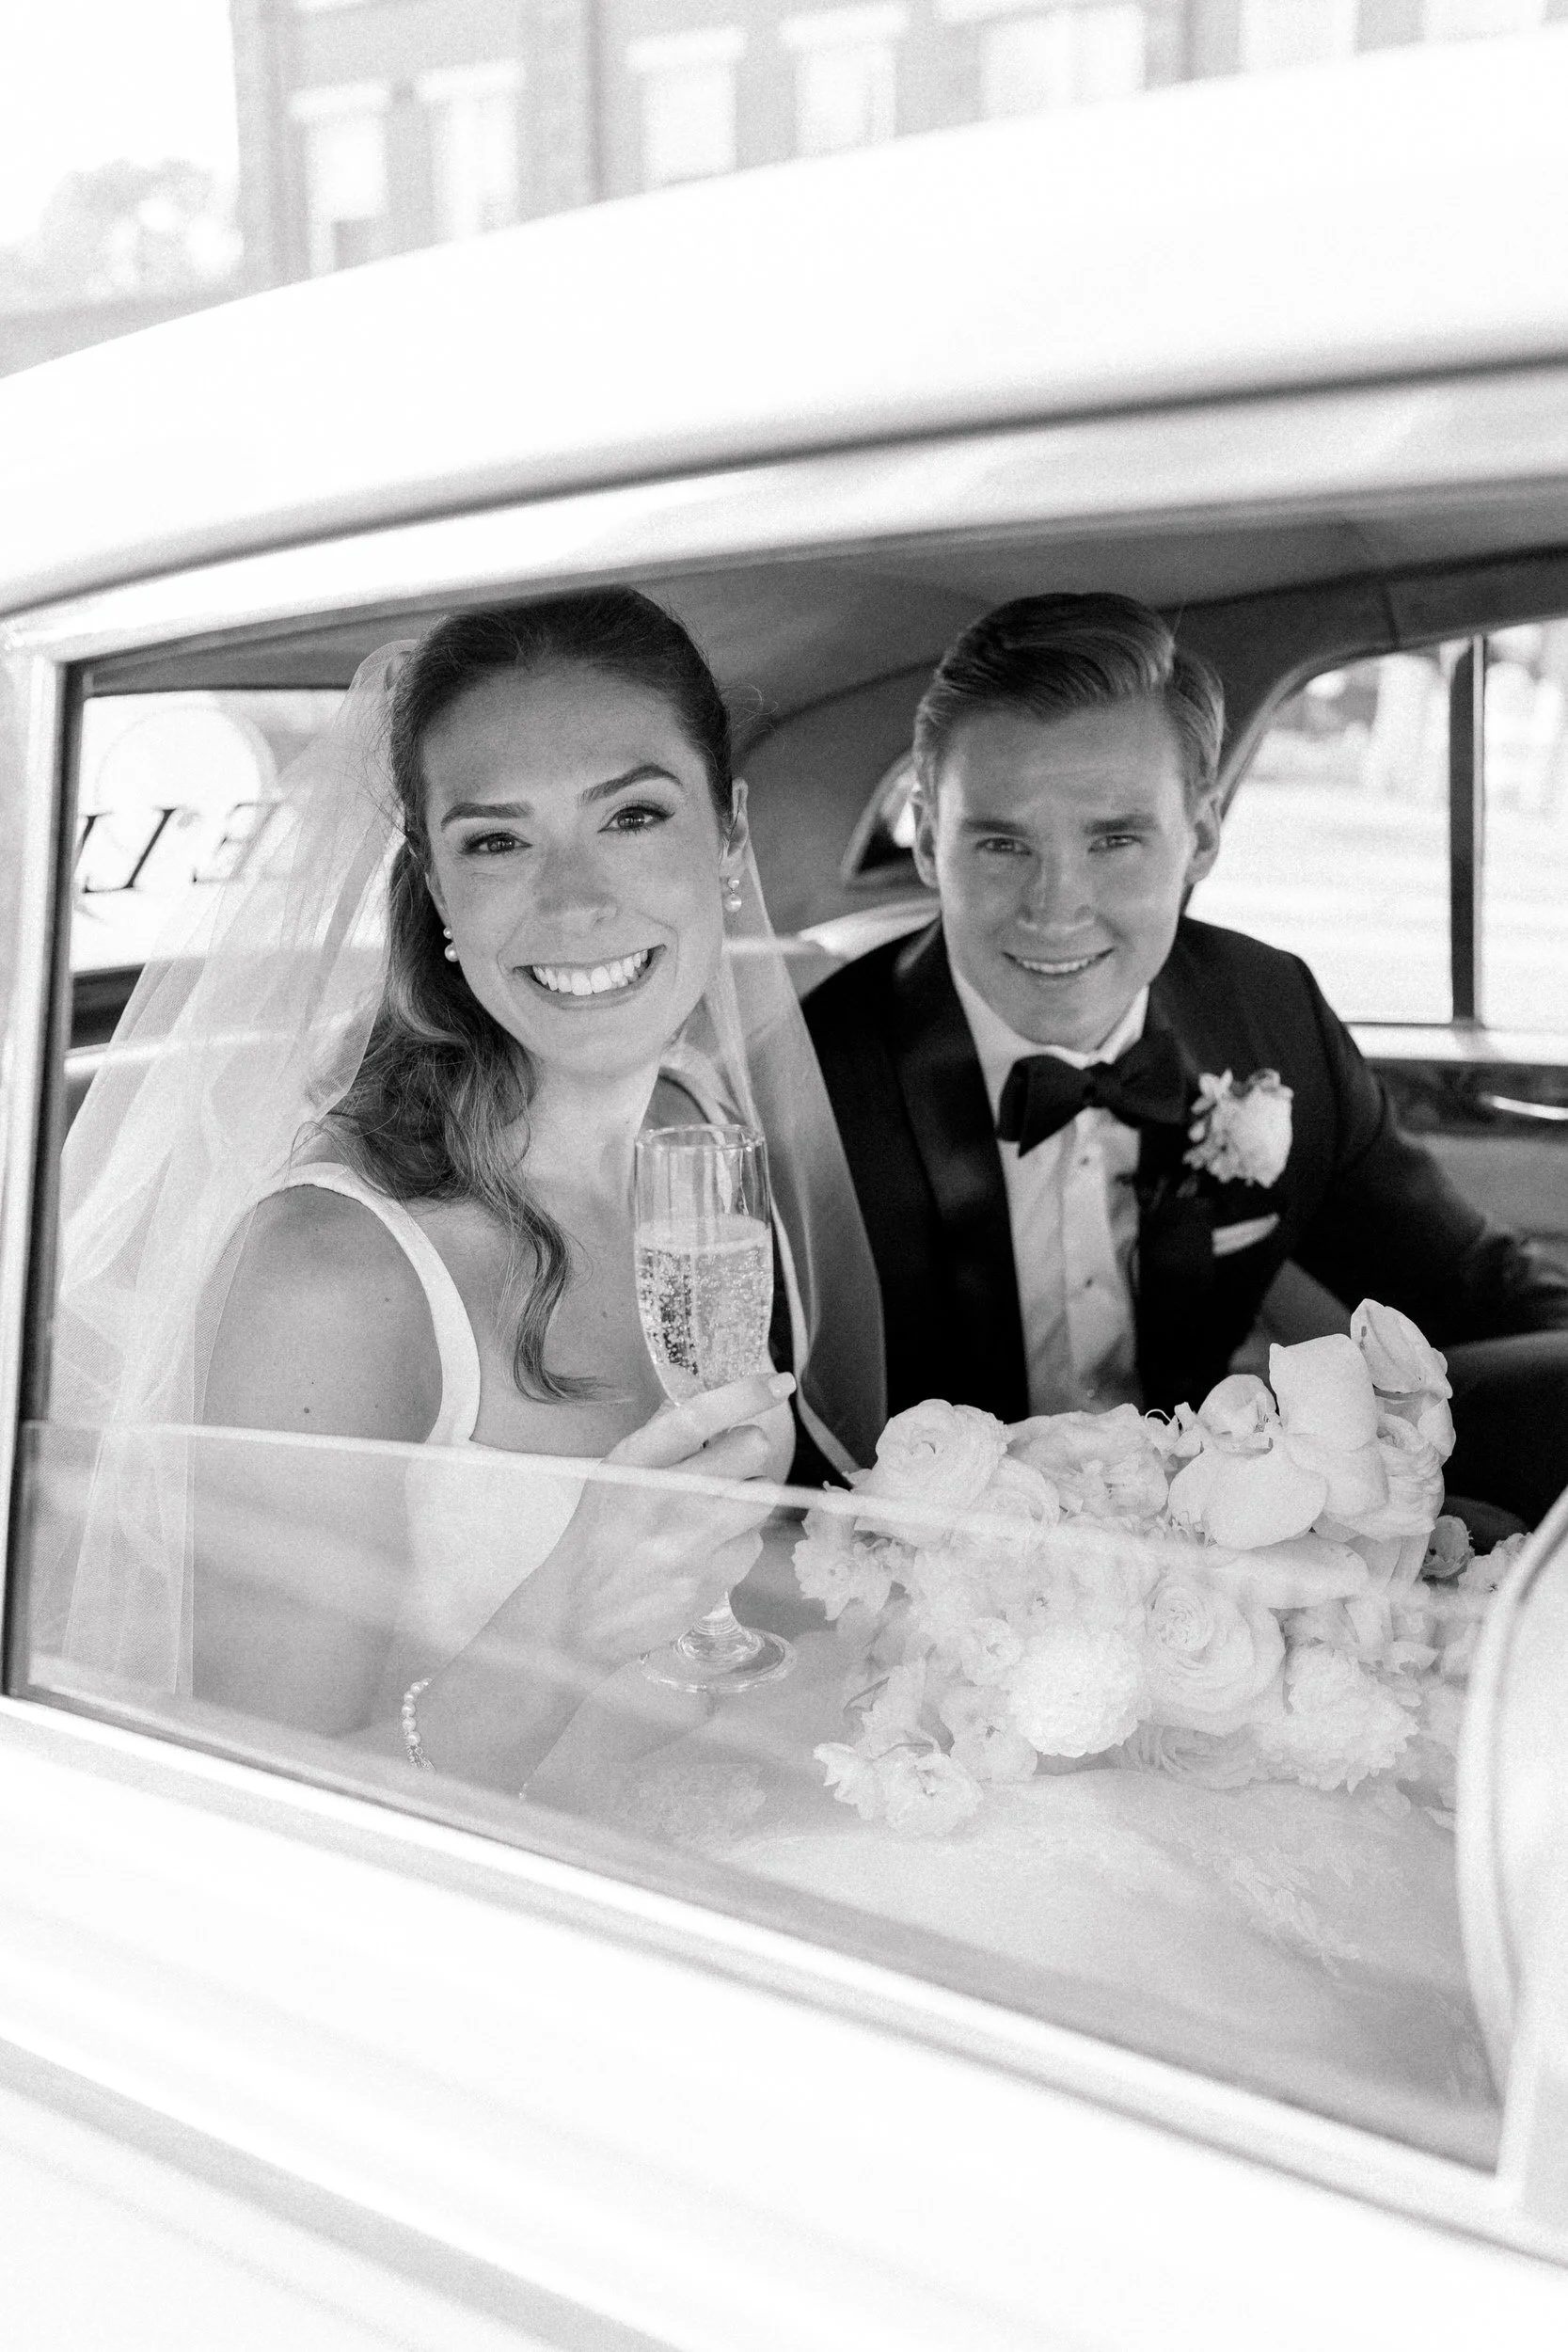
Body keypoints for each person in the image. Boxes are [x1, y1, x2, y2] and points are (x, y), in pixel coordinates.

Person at [52, 591, 884, 1791]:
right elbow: (266, 1801)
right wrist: (561, 1619)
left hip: (753, 1803)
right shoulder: (332, 1275)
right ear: (437, 889)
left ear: (729, 834)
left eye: (634, 815)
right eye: (497, 840)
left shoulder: (695, 1123)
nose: (575, 902)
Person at [803, 593, 1568, 1525]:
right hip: (928, 1594)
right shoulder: (811, 1083)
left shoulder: (1265, 1013)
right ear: (928, 839)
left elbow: (1479, 1296)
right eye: (1001, 842)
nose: (1055, 907)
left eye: (1114, 839)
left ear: (1199, 835)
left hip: (1210, 1579)